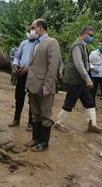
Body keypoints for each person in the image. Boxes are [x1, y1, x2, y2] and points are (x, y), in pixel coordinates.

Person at [54, 27, 102, 133]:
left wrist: (87, 76)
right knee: (69, 103)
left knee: (89, 102)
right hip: (75, 81)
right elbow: (79, 65)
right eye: (90, 35)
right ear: (84, 34)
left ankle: (92, 125)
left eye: (92, 35)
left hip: (81, 81)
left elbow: (85, 63)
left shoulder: (83, 46)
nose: (92, 37)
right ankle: (58, 123)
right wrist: (88, 79)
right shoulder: (77, 46)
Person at [24, 19, 60, 152]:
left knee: (45, 115)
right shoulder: (35, 43)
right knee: (35, 114)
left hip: (44, 86)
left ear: (40, 28)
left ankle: (44, 142)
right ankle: (35, 139)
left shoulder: (51, 42)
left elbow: (53, 66)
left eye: (33, 27)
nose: (31, 30)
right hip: (33, 85)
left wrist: (47, 85)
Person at [8, 26, 35, 131]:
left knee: (32, 99)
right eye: (28, 31)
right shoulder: (23, 43)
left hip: (32, 75)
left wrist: (29, 69)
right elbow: (17, 57)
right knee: (19, 97)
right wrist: (15, 64)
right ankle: (16, 119)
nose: (29, 33)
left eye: (31, 31)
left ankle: (31, 123)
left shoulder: (40, 44)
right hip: (21, 74)